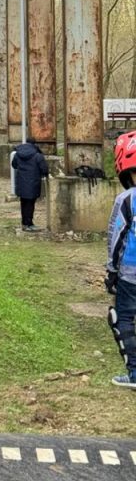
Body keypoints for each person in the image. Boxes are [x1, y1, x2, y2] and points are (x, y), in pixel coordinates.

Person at [106, 132, 136, 387]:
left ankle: (135, 374)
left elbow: (116, 236)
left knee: (123, 317)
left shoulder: (126, 199)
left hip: (131, 271)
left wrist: (112, 270)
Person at [11, 137, 48, 232]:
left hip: (21, 182)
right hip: (33, 183)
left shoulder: (18, 154)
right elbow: (44, 169)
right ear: (34, 144)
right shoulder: (37, 155)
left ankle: (24, 223)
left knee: (23, 203)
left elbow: (14, 165)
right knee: (30, 204)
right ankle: (29, 224)